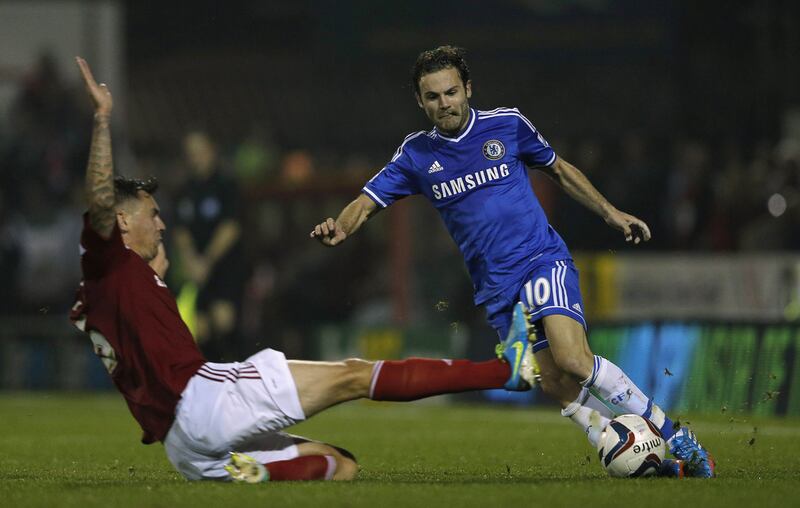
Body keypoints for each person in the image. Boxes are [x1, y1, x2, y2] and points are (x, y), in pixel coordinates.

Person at [70, 57, 536, 483]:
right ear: (122, 221)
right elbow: (99, 198)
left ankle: (251, 472)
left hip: (184, 448)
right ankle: (502, 372)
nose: (162, 221)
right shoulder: (107, 256)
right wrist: (103, 118)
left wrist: (155, 266)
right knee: (354, 376)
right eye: (152, 214)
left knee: (340, 466)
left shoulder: (106, 285)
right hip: (206, 401)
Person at [311, 46, 714, 478]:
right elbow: (368, 202)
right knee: (553, 380)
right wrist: (342, 226)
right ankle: (642, 459)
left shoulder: (507, 124)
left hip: (540, 260)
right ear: (420, 102)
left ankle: (675, 437)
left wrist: (610, 213)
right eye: (433, 97)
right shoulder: (416, 156)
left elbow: (559, 170)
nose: (444, 103)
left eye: (450, 92)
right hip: (496, 288)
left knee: (573, 360)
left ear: (468, 88)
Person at [173, 130, 246, 361]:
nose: (196, 157)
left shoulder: (226, 185)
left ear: (212, 151)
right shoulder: (184, 190)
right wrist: (191, 261)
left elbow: (231, 227)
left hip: (225, 268)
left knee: (224, 322)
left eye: (200, 151)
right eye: (191, 153)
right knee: (199, 328)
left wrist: (207, 261)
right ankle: (208, 382)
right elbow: (180, 230)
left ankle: (237, 376)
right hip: (196, 269)